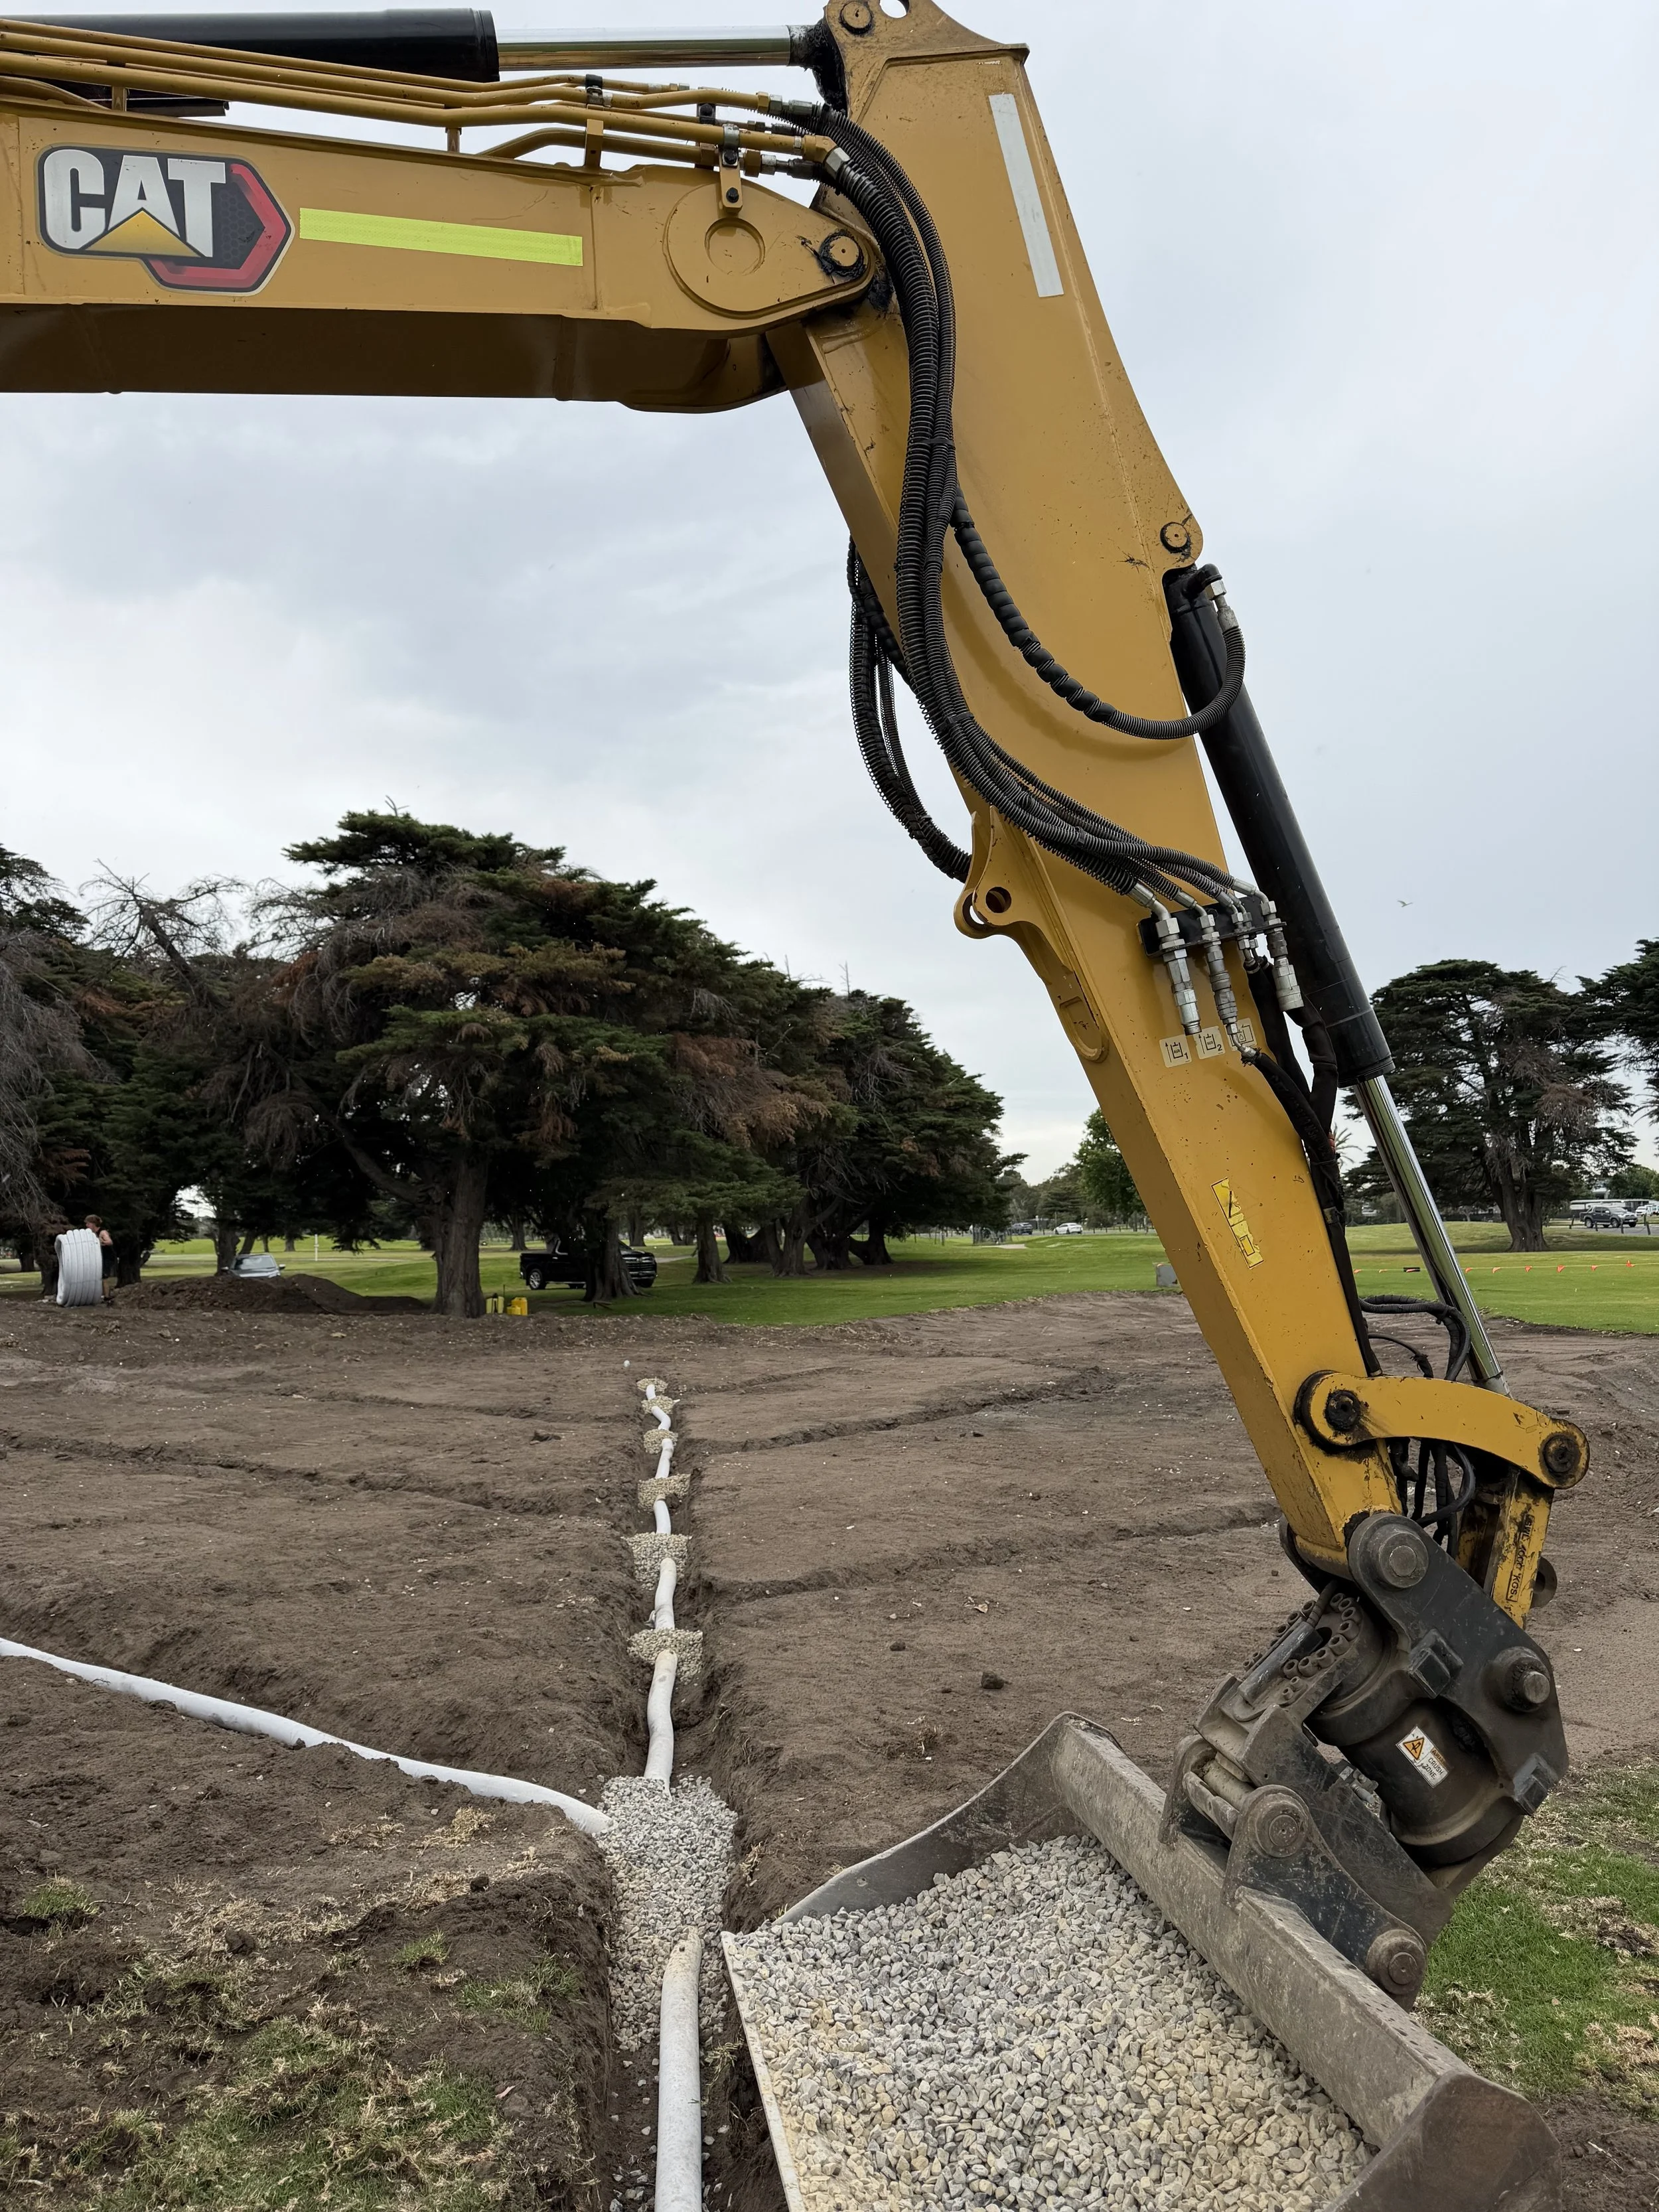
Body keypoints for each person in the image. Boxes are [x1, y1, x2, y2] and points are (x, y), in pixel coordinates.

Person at [85, 1214, 116, 1302]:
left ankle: (107, 1296)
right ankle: (101, 1295)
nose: (87, 1226)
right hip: (99, 1258)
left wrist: (101, 1242)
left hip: (107, 1257)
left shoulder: (102, 1232)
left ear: (94, 1224)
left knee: (104, 1276)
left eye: (88, 1224)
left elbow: (110, 1242)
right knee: (98, 1276)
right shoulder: (92, 1234)